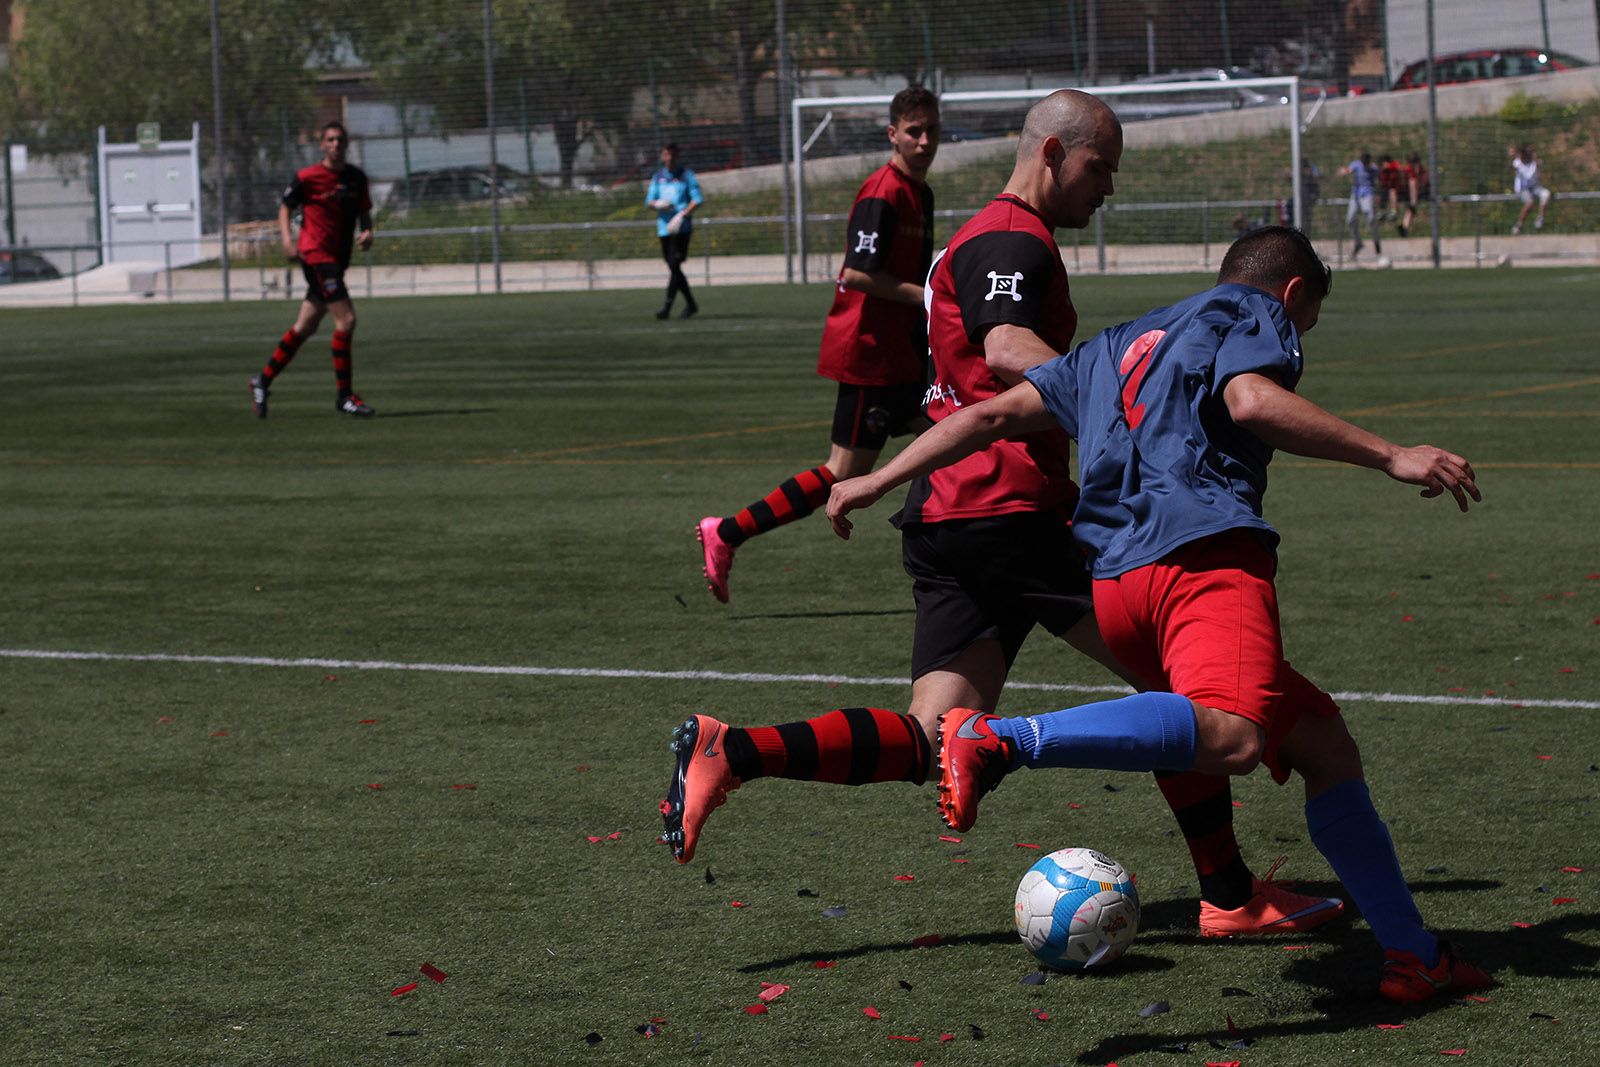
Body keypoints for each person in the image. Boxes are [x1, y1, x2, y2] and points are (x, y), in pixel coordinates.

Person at [665, 92, 1344, 941]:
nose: (1107, 190)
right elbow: (1005, 346)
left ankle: (735, 750)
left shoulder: (985, 233)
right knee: (1183, 694)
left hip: (951, 519)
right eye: (1101, 169)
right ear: (1054, 151)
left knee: (929, 735)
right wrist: (1118, 396)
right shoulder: (1014, 238)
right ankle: (1231, 895)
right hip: (1017, 511)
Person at [826, 225, 1490, 1005]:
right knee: (1235, 736)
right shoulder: (1251, 312)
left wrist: (875, 481)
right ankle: (1003, 739)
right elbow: (1249, 398)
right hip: (1201, 563)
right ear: (1293, 294)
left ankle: (1414, 953)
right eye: (1304, 323)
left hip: (1115, 587)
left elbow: (989, 417)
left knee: (1324, 743)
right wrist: (1389, 453)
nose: (1296, 336)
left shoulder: (1118, 342)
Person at [694, 86, 940, 604]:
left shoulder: (921, 192)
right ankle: (727, 532)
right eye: (913, 131)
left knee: (955, 440)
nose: (924, 141)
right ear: (892, 135)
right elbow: (857, 272)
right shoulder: (883, 192)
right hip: (869, 355)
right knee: (843, 474)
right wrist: (931, 297)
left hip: (900, 355)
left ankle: (970, 561)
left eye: (931, 130)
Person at [250, 120, 375, 418]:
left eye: (340, 140)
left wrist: (367, 232)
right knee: (346, 320)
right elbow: (285, 207)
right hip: (316, 256)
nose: (335, 145)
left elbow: (364, 212)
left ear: (346, 144)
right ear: (322, 145)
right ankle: (344, 396)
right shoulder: (308, 177)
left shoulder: (356, 178)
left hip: (336, 260)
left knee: (305, 327)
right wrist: (287, 240)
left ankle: (262, 381)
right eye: (330, 140)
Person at [646, 144, 704, 319]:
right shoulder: (658, 177)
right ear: (662, 157)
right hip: (664, 229)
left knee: (674, 264)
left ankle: (667, 308)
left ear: (677, 155)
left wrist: (683, 214)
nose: (669, 157)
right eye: (666, 154)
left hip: (681, 228)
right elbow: (649, 200)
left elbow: (697, 199)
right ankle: (691, 304)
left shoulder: (687, 176)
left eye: (672, 154)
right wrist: (658, 204)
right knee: (674, 267)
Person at [1339, 151, 1381, 259]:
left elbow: (1379, 178)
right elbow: (1349, 170)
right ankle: (1358, 243)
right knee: (1350, 220)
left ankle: (1376, 241)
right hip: (1356, 196)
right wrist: (1344, 172)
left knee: (1371, 218)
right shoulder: (1356, 165)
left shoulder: (1373, 168)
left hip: (1367, 195)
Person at [1510, 144, 1551, 234]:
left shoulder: (1535, 163)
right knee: (1530, 202)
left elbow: (1537, 166)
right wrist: (1514, 155)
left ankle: (1540, 219)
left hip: (1535, 187)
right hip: (1523, 189)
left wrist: (1534, 158)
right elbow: (1514, 166)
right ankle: (1519, 224)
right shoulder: (1517, 163)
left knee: (1546, 194)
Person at [1399, 153, 1429, 237]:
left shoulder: (1419, 170)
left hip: (1415, 192)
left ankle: (1404, 227)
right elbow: (1413, 186)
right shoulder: (1409, 170)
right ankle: (1404, 227)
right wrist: (1413, 201)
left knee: (1410, 211)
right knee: (1411, 209)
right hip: (1408, 193)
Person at [1377, 154, 1404, 221]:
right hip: (1386, 188)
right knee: (1383, 193)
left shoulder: (1394, 164)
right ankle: (1382, 211)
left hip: (1396, 188)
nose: (1383, 166)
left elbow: (1400, 167)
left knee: (1392, 192)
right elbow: (1381, 181)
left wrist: (1390, 166)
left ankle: (1394, 211)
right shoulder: (1382, 171)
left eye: (1384, 163)